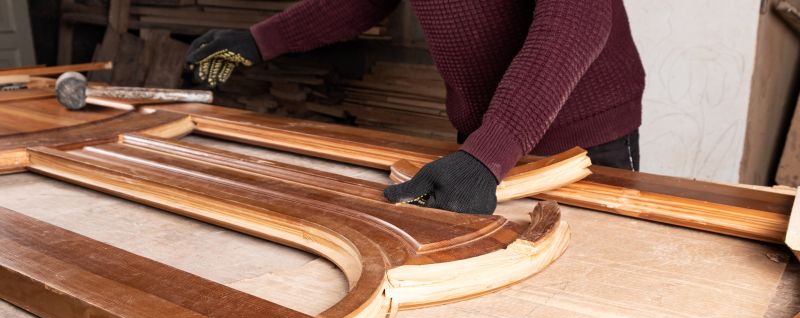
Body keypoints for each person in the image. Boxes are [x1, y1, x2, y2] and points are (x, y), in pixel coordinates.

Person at [186, 0, 645, 215]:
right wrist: (261, 39)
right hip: (487, 142)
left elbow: (576, 19)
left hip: (582, 137)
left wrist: (490, 153)